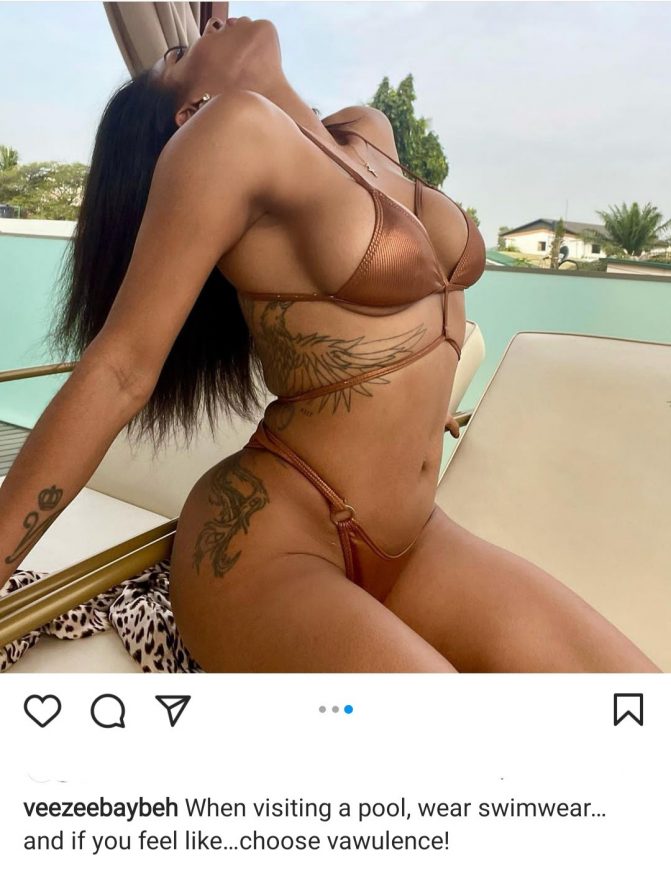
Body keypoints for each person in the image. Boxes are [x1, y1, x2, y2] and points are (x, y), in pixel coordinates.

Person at [0, 16, 660, 673]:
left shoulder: (369, 131)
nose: (215, 20)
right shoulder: (229, 133)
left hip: (416, 539)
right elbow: (119, 371)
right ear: (190, 111)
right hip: (268, 545)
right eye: (179, 52)